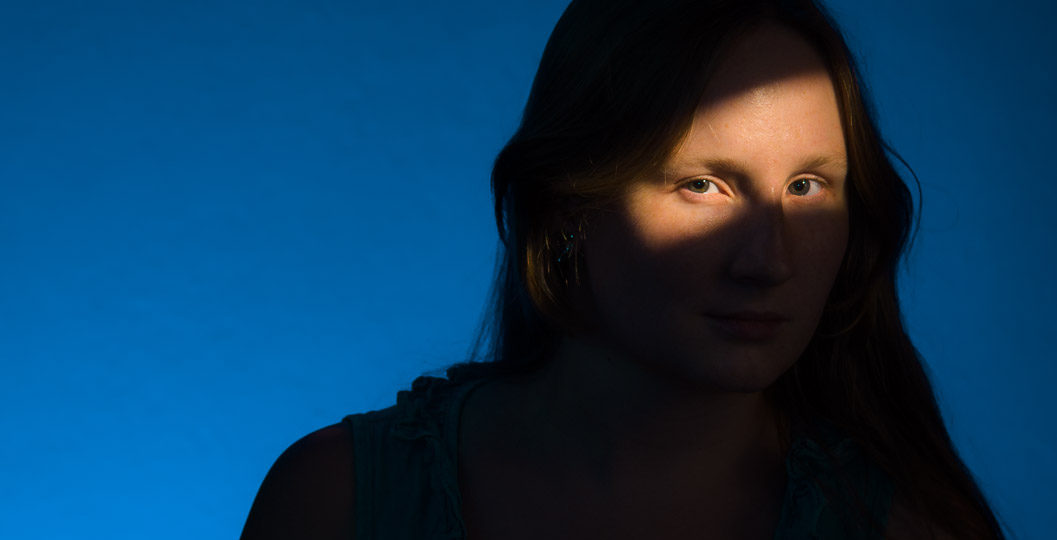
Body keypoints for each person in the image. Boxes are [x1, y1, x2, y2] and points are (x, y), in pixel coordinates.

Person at [241, 0, 1008, 538]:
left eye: (806, 187)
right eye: (702, 184)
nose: (768, 261)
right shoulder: (335, 503)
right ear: (569, 206)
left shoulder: (906, 527)